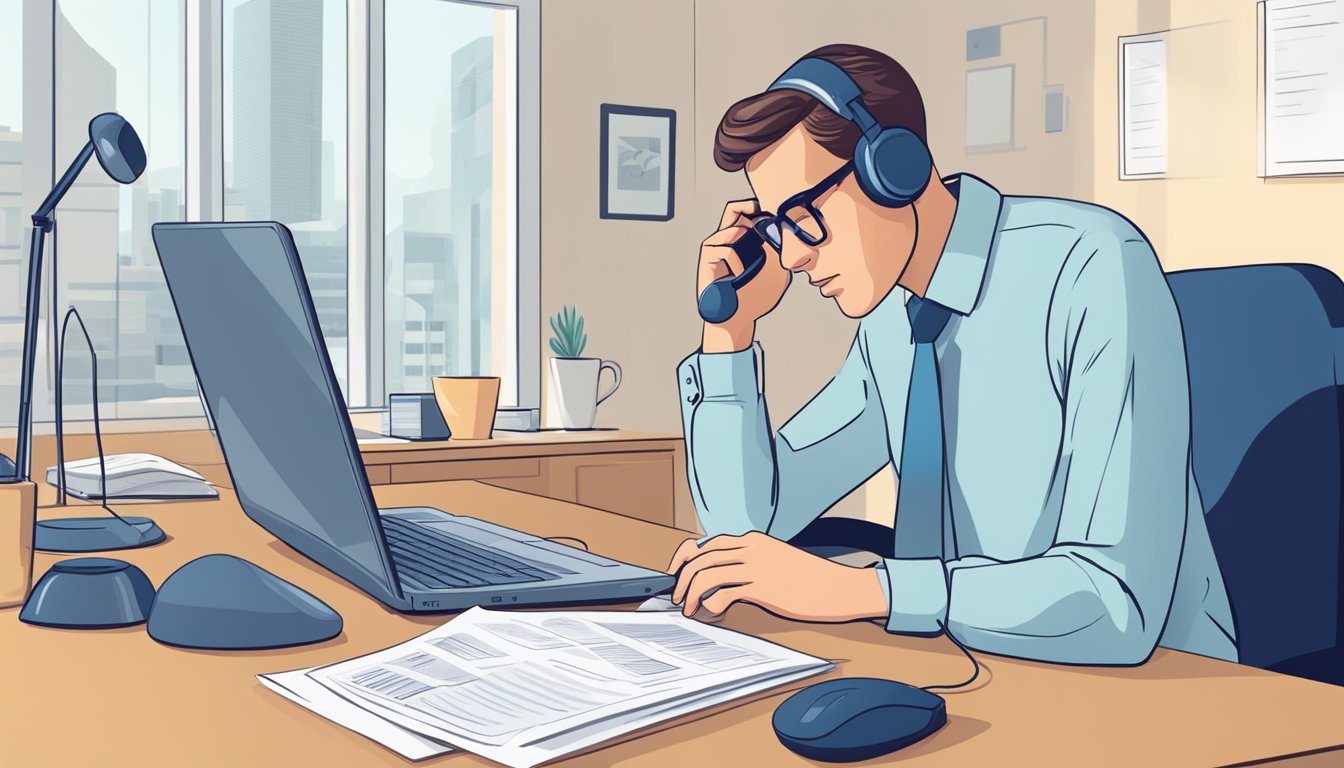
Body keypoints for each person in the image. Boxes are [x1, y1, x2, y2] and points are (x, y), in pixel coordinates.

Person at [666, 43, 1237, 665]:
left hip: (1160, 691)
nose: (795, 256)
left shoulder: (1090, 266)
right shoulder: (892, 319)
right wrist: (730, 332)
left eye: (803, 215)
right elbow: (747, 530)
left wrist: (865, 591)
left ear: (893, 167)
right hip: (970, 668)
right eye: (776, 227)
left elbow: (1113, 603)